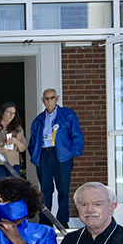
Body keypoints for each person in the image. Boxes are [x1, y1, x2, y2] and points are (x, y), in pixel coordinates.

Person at [29, 89, 85, 228]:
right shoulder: (39, 120)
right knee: (45, 190)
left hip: (62, 156)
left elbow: (77, 135)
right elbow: (33, 142)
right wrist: (36, 156)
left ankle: (62, 221)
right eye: (46, 99)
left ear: (57, 98)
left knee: (63, 189)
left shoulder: (68, 115)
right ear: (43, 101)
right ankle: (46, 221)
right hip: (44, 155)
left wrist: (71, 152)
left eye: (52, 98)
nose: (49, 101)